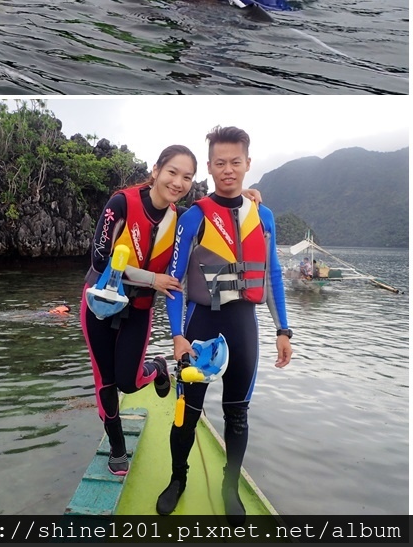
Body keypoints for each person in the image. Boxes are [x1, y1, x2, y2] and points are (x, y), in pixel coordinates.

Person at [157, 125, 292, 518]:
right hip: (200, 327)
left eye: (236, 162)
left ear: (248, 163)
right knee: (187, 411)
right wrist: (179, 336)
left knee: (238, 413)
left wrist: (283, 330)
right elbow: (174, 283)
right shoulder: (193, 217)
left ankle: (229, 485)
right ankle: (177, 478)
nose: (228, 170)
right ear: (210, 168)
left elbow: (273, 277)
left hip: (243, 327)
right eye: (220, 163)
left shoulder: (263, 216)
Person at [80, 145, 196, 475]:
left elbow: (213, 212)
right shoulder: (122, 203)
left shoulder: (181, 220)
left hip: (140, 306)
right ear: (156, 170)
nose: (178, 182)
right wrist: (152, 278)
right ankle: (117, 447)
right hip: (100, 302)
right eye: (172, 172)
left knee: (129, 383)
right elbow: (100, 260)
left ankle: (157, 366)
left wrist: (245, 197)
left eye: (187, 177)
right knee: (105, 381)